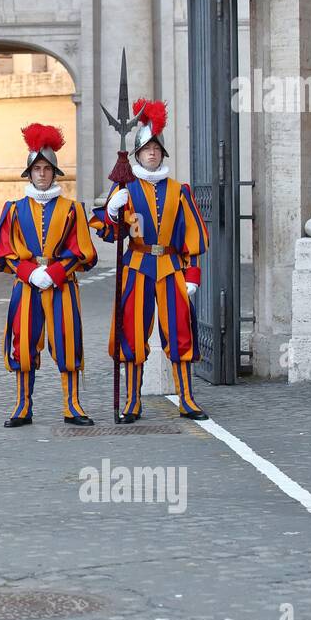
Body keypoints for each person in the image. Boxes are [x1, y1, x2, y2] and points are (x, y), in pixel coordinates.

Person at [91, 99, 210, 421]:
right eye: (147, 150)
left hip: (172, 268)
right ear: (138, 154)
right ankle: (132, 400)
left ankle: (186, 398)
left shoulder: (179, 190)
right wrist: (114, 210)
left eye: (157, 149)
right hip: (137, 267)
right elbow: (110, 233)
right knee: (132, 331)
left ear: (162, 153)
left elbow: (193, 235)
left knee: (180, 330)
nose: (152, 154)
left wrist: (193, 275)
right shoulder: (125, 187)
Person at [0, 124, 98, 427]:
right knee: (23, 344)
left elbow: (82, 251)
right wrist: (30, 272)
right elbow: (5, 251)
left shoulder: (73, 209)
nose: (42, 174)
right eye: (36, 168)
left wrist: (56, 272)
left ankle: (72, 405)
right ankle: (23, 406)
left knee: (68, 340)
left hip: (62, 285)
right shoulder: (14, 210)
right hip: (27, 285)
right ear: (29, 173)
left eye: (47, 168)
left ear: (54, 172)